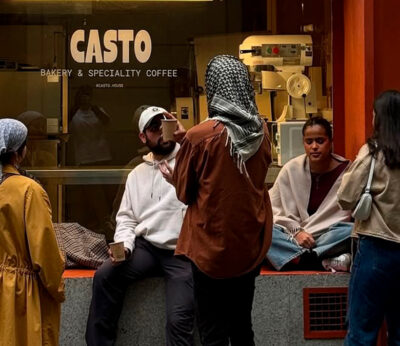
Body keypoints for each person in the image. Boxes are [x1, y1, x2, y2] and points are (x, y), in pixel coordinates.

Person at [162, 55, 273, 346]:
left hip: (210, 248)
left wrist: (176, 169)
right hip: (249, 244)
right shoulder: (261, 132)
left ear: (213, 89)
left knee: (212, 331)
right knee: (241, 326)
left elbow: (185, 193)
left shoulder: (199, 137)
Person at [85, 106, 194, 346]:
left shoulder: (190, 158)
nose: (161, 132)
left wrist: (184, 137)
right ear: (143, 137)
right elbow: (126, 218)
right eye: (154, 128)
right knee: (105, 275)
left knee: (179, 320)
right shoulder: (137, 173)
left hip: (183, 250)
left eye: (165, 125)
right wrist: (125, 246)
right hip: (148, 247)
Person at [338, 90, 400, 345]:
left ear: (379, 119)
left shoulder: (374, 153)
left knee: (362, 333)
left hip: (376, 248)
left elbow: (346, 196)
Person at [0, 118, 65, 345]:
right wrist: (58, 286)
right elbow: (44, 254)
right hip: (22, 294)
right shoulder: (29, 190)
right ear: (21, 151)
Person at [266, 116, 353, 271]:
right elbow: (271, 209)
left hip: (327, 238)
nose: (314, 146)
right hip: (292, 237)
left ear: (330, 141)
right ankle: (318, 261)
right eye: (309, 141)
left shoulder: (347, 172)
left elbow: (350, 213)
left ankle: (298, 258)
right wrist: (296, 231)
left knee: (353, 231)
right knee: (263, 231)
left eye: (320, 141)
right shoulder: (290, 169)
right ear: (303, 143)